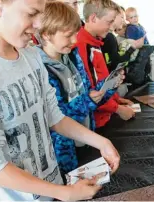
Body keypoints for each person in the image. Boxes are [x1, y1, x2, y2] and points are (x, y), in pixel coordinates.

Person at [0, 0, 120, 201]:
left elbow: (54, 117)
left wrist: (101, 142)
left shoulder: (31, 56)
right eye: (31, 13)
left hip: (49, 189)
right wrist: (64, 193)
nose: (38, 24)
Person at [35, 1, 122, 175]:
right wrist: (88, 100)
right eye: (68, 36)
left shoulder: (73, 57)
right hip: (63, 153)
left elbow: (87, 93)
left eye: (75, 34)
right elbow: (56, 118)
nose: (74, 41)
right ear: (46, 34)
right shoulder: (40, 69)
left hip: (85, 137)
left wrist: (108, 88)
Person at [75, 0, 135, 128]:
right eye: (109, 22)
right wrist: (117, 109)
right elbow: (92, 91)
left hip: (105, 114)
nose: (111, 26)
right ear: (93, 18)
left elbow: (102, 80)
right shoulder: (83, 46)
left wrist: (116, 99)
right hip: (96, 122)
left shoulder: (95, 42)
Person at [101, 6, 144, 73]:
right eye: (122, 17)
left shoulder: (107, 36)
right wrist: (133, 48)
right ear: (114, 17)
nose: (124, 21)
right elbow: (118, 62)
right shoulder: (109, 37)